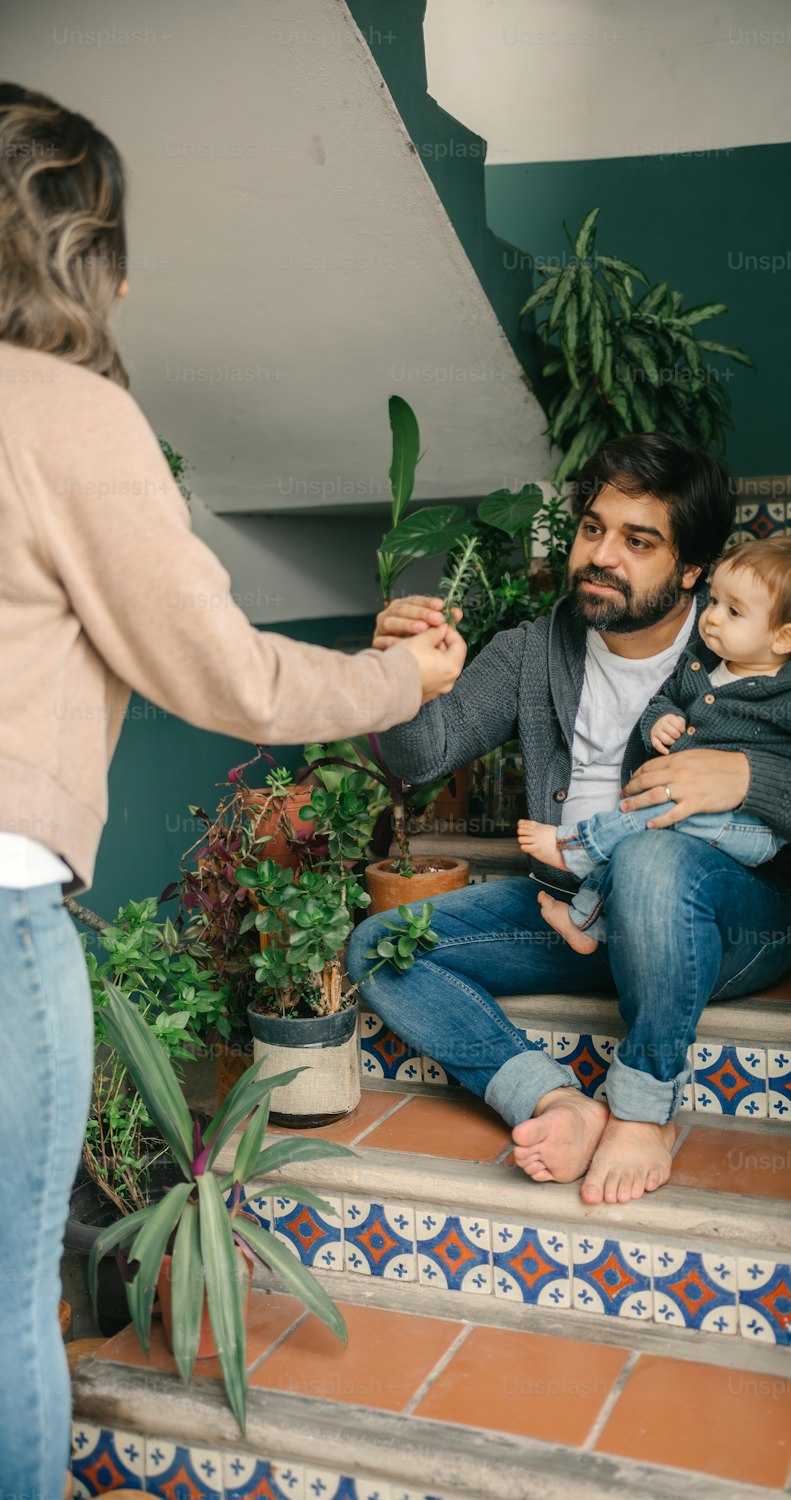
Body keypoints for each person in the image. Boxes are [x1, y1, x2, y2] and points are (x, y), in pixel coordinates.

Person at [0, 85, 465, 1499]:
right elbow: (238, 683)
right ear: (91, 261)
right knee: (13, 1295)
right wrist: (412, 683)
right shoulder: (61, 414)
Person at [347, 432, 791, 1212]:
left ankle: (643, 1112)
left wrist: (749, 775)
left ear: (689, 570)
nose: (600, 555)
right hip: (575, 908)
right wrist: (396, 681)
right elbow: (421, 756)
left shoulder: (748, 653)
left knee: (651, 861)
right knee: (382, 948)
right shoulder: (533, 652)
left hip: (725, 922)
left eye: (637, 541)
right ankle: (558, 1104)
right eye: (592, 529)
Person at [517, 535, 791, 953]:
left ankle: (574, 847)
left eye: (734, 611)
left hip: (751, 827)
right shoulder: (701, 664)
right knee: (635, 842)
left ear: (783, 639)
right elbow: (665, 699)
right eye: (716, 601)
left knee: (650, 816)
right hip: (700, 816)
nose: (713, 617)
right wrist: (661, 720)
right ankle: (586, 922)